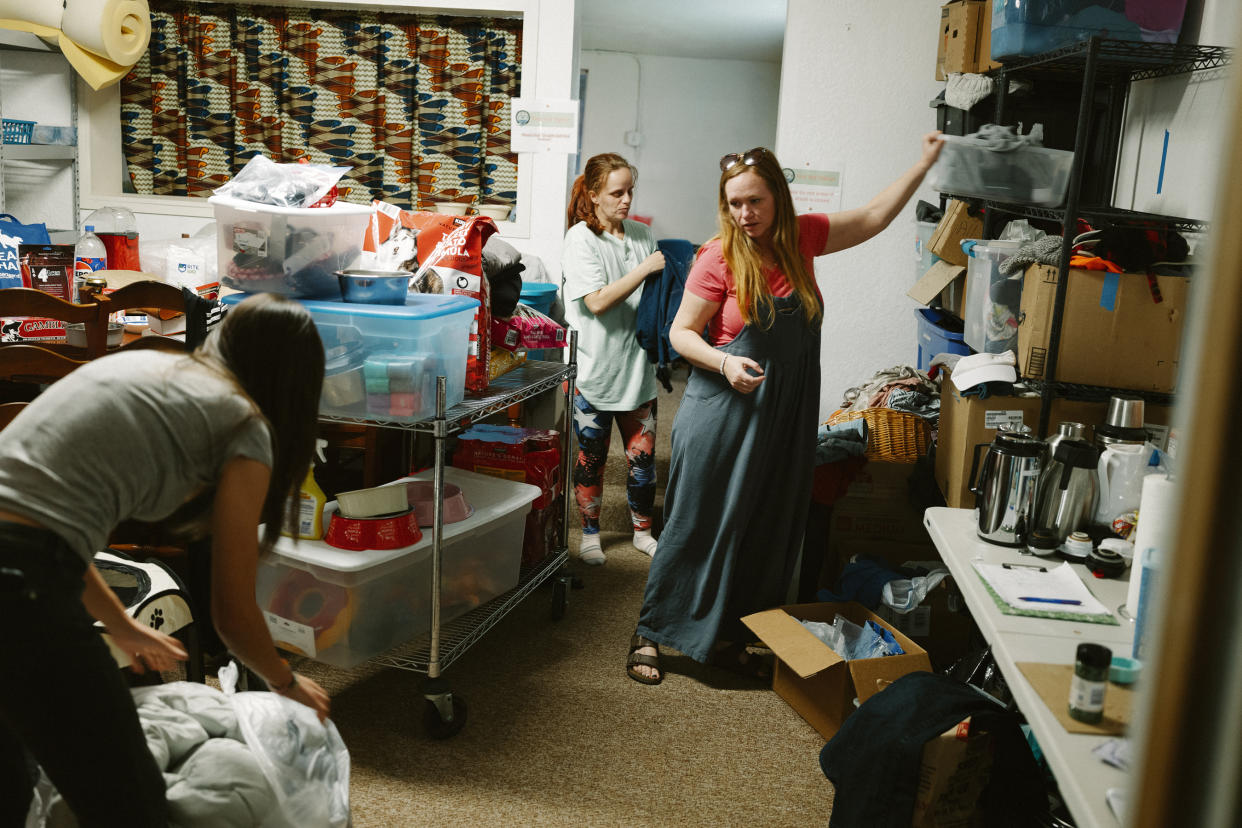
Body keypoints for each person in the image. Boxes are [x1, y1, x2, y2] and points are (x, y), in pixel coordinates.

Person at [0, 293, 332, 825]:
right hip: (21, 585)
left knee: (10, 792)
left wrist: (122, 628)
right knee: (128, 801)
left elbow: (45, 520)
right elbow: (231, 614)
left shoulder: (152, 368)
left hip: (26, 564)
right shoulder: (244, 425)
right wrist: (285, 682)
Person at [627, 135, 944, 684]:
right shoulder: (717, 256)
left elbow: (872, 216)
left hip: (785, 414)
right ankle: (652, 632)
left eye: (755, 201)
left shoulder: (803, 238)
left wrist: (922, 164)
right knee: (699, 523)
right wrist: (725, 364)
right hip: (724, 412)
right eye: (734, 204)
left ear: (778, 196)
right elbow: (681, 333)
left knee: (767, 525)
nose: (745, 214)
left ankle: (728, 637)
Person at [561, 153, 666, 566]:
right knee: (592, 463)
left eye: (630, 192)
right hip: (594, 372)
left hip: (637, 370)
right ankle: (589, 534)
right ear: (594, 195)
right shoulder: (580, 239)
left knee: (643, 463)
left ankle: (643, 531)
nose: (626, 200)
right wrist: (645, 269)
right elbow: (598, 301)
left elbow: (656, 303)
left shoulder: (643, 235)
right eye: (616, 193)